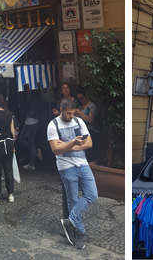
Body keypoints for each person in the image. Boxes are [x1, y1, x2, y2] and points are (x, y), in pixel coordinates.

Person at [48, 97, 98, 250]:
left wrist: (67, 146)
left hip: (82, 164)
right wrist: (74, 144)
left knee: (92, 195)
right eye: (68, 113)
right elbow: (56, 149)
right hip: (66, 166)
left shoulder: (78, 121)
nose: (71, 116)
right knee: (72, 200)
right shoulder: (53, 125)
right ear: (61, 110)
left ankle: (70, 221)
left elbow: (89, 143)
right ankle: (80, 233)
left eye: (72, 113)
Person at [17, 87, 40, 170]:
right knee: (31, 140)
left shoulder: (30, 98)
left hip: (29, 121)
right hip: (36, 120)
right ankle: (31, 162)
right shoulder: (37, 97)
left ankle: (34, 150)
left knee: (20, 140)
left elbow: (24, 108)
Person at [74, 87, 99, 162]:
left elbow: (90, 119)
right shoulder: (80, 107)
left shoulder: (91, 106)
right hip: (81, 132)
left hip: (91, 131)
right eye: (79, 98)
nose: (80, 100)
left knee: (90, 153)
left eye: (81, 98)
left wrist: (79, 113)